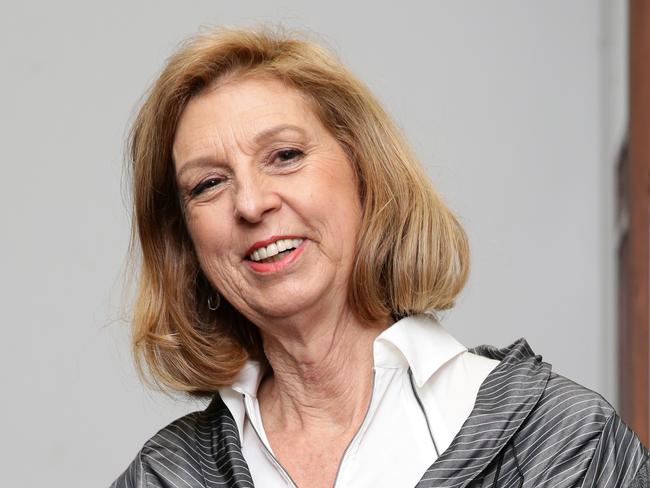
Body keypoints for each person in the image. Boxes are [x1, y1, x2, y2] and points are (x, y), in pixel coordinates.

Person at [111, 26, 649, 488]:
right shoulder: (165, 476)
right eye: (208, 184)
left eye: (286, 156)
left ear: (365, 173)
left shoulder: (564, 443)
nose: (251, 203)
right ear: (186, 242)